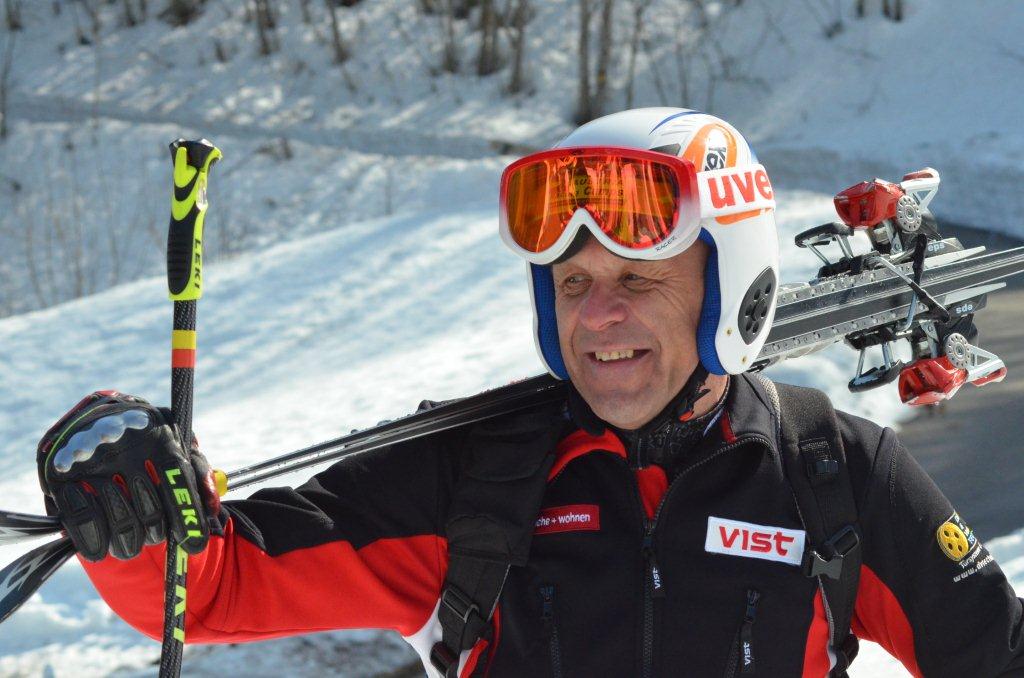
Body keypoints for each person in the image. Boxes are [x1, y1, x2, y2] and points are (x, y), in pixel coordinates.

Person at [36, 108, 1024, 677]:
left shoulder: (833, 473)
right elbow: (213, 586)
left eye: (637, 278)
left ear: (729, 289)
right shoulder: (476, 477)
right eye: (573, 284)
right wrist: (123, 494)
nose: (598, 317)